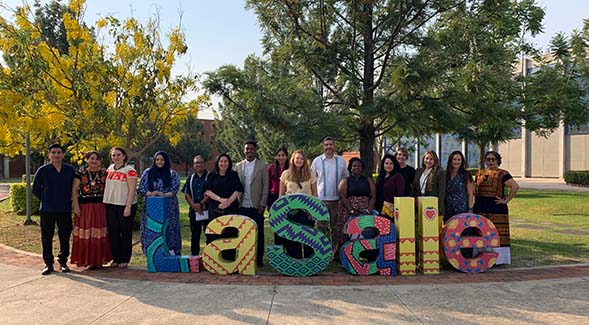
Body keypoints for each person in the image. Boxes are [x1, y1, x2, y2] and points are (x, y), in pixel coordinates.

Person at [32, 144, 76, 275]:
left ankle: (63, 262)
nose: (56, 155)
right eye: (53, 153)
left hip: (64, 209)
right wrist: (46, 199)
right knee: (47, 237)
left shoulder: (69, 170)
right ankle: (48, 264)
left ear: (63, 154)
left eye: (59, 152)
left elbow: (75, 188)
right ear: (49, 155)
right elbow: (35, 189)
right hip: (47, 209)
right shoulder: (43, 170)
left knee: (65, 236)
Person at [473, 151, 519, 265]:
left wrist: (506, 200)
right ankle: (481, 257)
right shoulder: (480, 173)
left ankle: (499, 260)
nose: (490, 162)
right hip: (480, 207)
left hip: (496, 208)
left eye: (493, 159)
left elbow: (515, 186)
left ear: (498, 160)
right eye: (488, 159)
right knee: (481, 233)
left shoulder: (503, 173)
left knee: (497, 233)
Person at [71, 151, 112, 269]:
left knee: (99, 232)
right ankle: (86, 260)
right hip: (85, 207)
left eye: (97, 159)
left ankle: (98, 260)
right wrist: (76, 206)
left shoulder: (105, 173)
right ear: (86, 160)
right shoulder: (80, 173)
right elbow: (74, 190)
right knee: (86, 232)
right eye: (91, 158)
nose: (94, 161)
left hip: (100, 207)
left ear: (100, 161)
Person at [139, 151, 181, 255]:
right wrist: (151, 193)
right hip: (151, 206)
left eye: (162, 159)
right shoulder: (148, 173)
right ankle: (152, 252)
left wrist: (162, 194)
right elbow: (142, 188)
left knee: (169, 227)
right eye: (157, 159)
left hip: (168, 206)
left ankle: (171, 251)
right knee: (153, 228)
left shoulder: (172, 174)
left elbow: (174, 190)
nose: (159, 161)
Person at [103, 147, 138, 269]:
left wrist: (128, 207)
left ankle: (124, 259)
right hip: (111, 204)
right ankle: (116, 258)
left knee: (125, 233)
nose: (116, 157)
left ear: (124, 156)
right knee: (113, 233)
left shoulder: (130, 170)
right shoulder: (109, 169)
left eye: (118, 155)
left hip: (125, 205)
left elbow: (132, 190)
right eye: (113, 155)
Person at [311, 136, 349, 248]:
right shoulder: (317, 161)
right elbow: (312, 180)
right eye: (326, 145)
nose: (329, 147)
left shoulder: (341, 161)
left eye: (331, 144)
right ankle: (320, 250)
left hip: (336, 200)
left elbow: (345, 178)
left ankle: (335, 252)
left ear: (334, 145)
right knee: (320, 227)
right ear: (323, 146)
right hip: (321, 200)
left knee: (335, 228)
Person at [235, 140, 269, 266]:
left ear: (255, 150)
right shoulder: (238, 166)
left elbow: (266, 186)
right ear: (244, 150)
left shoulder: (262, 165)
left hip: (256, 206)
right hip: (242, 205)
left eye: (251, 149)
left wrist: (262, 204)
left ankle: (259, 259)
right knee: (243, 234)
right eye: (247, 149)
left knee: (259, 233)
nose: (249, 151)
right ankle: (245, 258)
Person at [279, 150, 318, 259]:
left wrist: (313, 211)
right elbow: (281, 195)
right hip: (290, 212)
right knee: (291, 237)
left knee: (308, 237)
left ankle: (309, 261)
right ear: (293, 160)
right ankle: (294, 260)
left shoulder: (310, 174)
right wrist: (282, 212)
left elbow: (314, 193)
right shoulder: (285, 174)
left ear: (304, 160)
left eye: (301, 158)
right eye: (297, 158)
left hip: (306, 212)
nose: (299, 160)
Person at [205, 154, 243, 260]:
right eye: (221, 161)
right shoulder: (211, 175)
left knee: (230, 233)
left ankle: (229, 259)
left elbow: (238, 190)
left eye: (225, 161)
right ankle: (214, 260)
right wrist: (220, 200)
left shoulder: (233, 175)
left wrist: (228, 202)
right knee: (215, 234)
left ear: (229, 163)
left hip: (231, 208)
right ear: (217, 163)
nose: (223, 163)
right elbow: (207, 191)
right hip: (215, 209)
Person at [336, 157, 376, 252]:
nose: (356, 167)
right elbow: (342, 196)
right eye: (354, 166)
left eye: (359, 166)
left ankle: (363, 252)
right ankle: (345, 253)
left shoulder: (368, 180)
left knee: (365, 231)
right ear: (350, 167)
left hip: (365, 210)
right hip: (348, 209)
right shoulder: (345, 180)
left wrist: (369, 210)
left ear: (362, 168)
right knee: (347, 231)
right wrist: (351, 210)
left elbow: (373, 196)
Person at [181, 155, 210, 256]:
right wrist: (194, 205)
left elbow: (211, 193)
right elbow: (186, 193)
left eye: (200, 162)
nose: (199, 165)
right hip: (194, 212)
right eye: (196, 163)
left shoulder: (210, 176)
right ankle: (194, 258)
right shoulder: (191, 178)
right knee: (195, 236)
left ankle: (210, 258)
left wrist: (201, 204)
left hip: (208, 212)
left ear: (204, 163)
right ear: (194, 165)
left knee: (210, 236)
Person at [412, 151, 446, 217]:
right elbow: (414, 189)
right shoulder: (418, 171)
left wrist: (439, 208)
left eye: (431, 159)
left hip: (432, 205)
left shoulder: (440, 172)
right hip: (419, 204)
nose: (428, 161)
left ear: (435, 161)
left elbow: (441, 192)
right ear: (423, 159)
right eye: (426, 158)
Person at [267, 146, 289, 245]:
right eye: (279, 155)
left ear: (287, 156)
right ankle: (278, 245)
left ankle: (287, 245)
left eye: (283, 155)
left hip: (287, 198)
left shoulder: (290, 168)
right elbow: (268, 185)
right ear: (276, 157)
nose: (281, 157)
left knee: (287, 222)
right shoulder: (271, 168)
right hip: (274, 197)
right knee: (277, 223)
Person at [445, 151, 474, 222]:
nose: (456, 162)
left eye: (459, 160)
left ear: (462, 161)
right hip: (448, 208)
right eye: (454, 159)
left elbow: (470, 194)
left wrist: (470, 209)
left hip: (462, 208)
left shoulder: (466, 174)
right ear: (450, 160)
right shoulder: (445, 174)